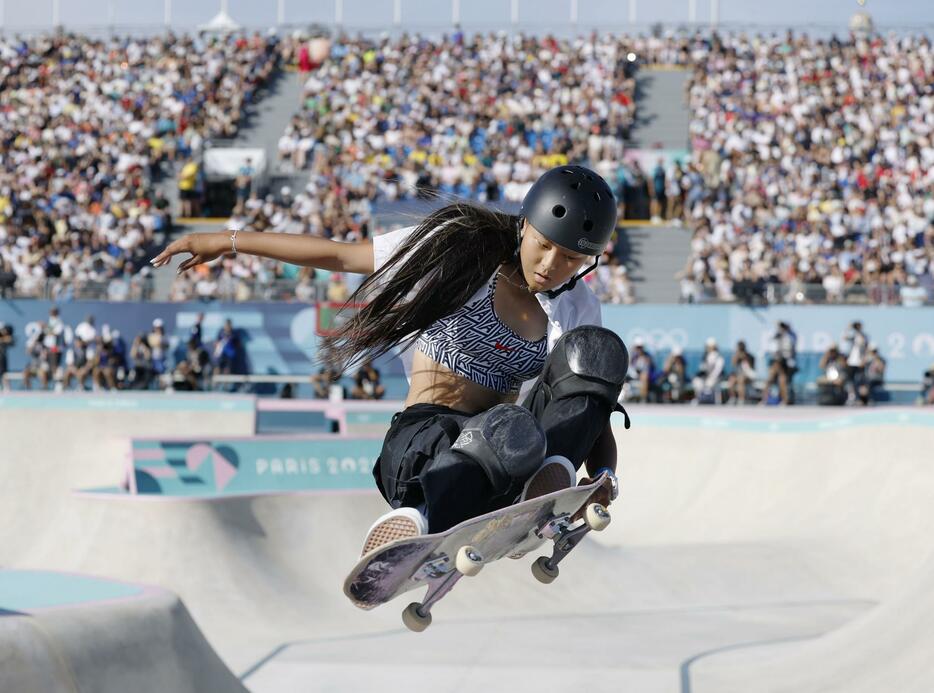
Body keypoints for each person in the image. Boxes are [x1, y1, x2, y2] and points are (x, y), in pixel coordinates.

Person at [151, 165, 629, 555]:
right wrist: (229, 240)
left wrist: (602, 474)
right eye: (543, 245)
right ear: (524, 225)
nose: (550, 265)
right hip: (424, 448)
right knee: (500, 433)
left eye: (568, 258)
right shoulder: (458, 250)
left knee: (592, 360)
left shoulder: (577, 305)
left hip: (517, 455)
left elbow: (591, 404)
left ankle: (541, 488)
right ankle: (418, 517)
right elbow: (340, 257)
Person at [764, 321, 797, 405]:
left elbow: (788, 353)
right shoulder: (776, 337)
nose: (779, 330)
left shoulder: (789, 337)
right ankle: (765, 399)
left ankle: (784, 400)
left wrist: (781, 356)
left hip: (785, 363)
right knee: (770, 380)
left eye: (780, 328)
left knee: (782, 380)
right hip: (777, 361)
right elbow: (772, 349)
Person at [692, 337, 725, 404]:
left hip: (716, 378)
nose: (707, 348)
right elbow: (703, 369)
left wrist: (711, 377)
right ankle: (699, 399)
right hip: (706, 377)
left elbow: (718, 371)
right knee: (697, 382)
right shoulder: (705, 356)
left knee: (710, 383)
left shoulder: (718, 357)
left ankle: (710, 400)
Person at [727, 340, 757, 404]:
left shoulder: (749, 356)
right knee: (731, 380)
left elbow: (751, 369)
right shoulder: (736, 355)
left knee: (741, 379)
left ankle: (741, 399)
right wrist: (737, 356)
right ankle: (733, 397)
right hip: (738, 375)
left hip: (748, 375)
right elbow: (733, 364)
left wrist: (745, 358)